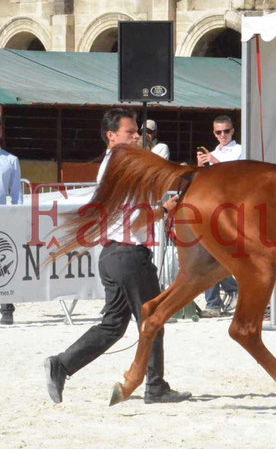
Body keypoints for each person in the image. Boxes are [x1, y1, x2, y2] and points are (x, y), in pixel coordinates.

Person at [44, 108, 190, 404]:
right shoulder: (121, 164)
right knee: (153, 319)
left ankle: (62, 364)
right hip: (128, 254)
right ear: (111, 136)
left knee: (113, 325)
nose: (137, 136)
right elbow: (135, 217)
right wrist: (165, 209)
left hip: (112, 255)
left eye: (137, 131)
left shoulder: (112, 163)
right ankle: (155, 386)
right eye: (130, 132)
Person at [195, 114, 242, 318]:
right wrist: (201, 166)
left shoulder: (240, 149)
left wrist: (214, 161)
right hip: (215, 206)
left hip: (235, 207)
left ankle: (226, 292)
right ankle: (216, 300)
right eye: (218, 132)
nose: (222, 135)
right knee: (210, 254)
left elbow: (234, 173)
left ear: (233, 131)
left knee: (219, 255)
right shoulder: (212, 152)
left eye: (226, 131)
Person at [0, 117, 23, 325]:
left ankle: (7, 308)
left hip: (2, 218)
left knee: (4, 264)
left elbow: (16, 195)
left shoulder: (10, 160)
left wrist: (17, 218)